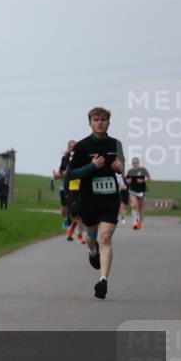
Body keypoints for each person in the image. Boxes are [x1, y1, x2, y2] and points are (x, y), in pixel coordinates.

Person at [64, 106, 124, 299]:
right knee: (92, 237)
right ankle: (92, 251)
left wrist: (119, 168)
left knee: (105, 238)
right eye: (96, 120)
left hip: (109, 198)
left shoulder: (116, 144)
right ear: (90, 123)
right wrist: (92, 166)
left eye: (103, 119)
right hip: (88, 199)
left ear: (108, 122)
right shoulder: (80, 147)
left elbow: (122, 166)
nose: (100, 122)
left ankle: (103, 281)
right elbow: (70, 173)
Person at [125, 157, 152, 230]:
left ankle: (140, 221)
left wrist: (143, 180)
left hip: (142, 191)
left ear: (138, 163)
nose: (135, 164)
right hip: (133, 191)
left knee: (141, 208)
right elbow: (127, 180)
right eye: (133, 163)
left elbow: (149, 179)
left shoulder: (143, 170)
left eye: (136, 163)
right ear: (132, 163)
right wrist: (128, 181)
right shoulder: (130, 171)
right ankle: (135, 223)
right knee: (134, 206)